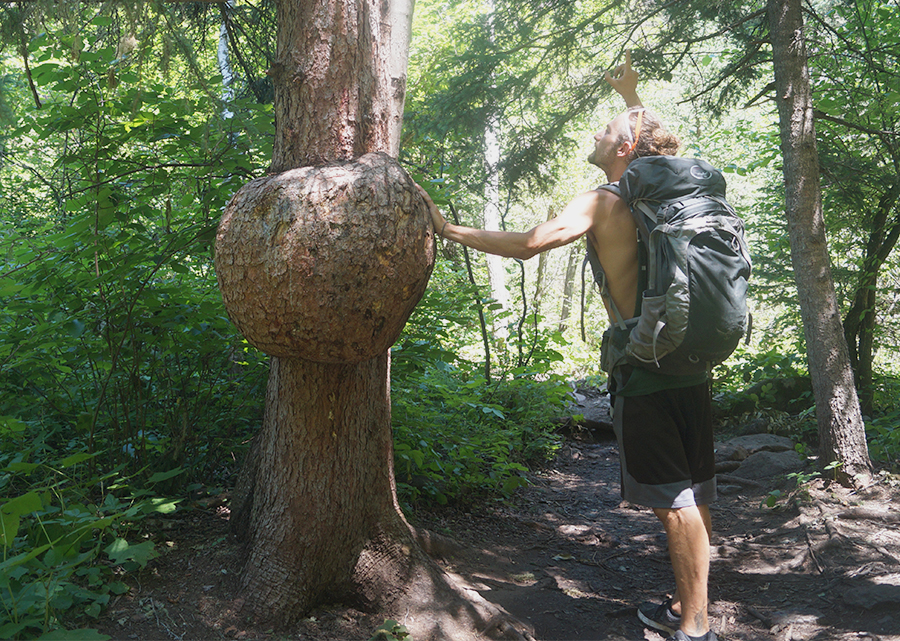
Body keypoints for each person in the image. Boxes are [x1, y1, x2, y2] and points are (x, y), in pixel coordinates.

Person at [415, 52, 718, 641]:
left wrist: (449, 230)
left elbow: (533, 242)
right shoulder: (667, 199)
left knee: (672, 499)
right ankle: (690, 606)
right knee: (697, 487)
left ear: (625, 150)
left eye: (608, 129)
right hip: (693, 360)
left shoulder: (604, 200)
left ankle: (697, 626)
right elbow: (641, 131)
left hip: (646, 368)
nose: (596, 132)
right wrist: (631, 94)